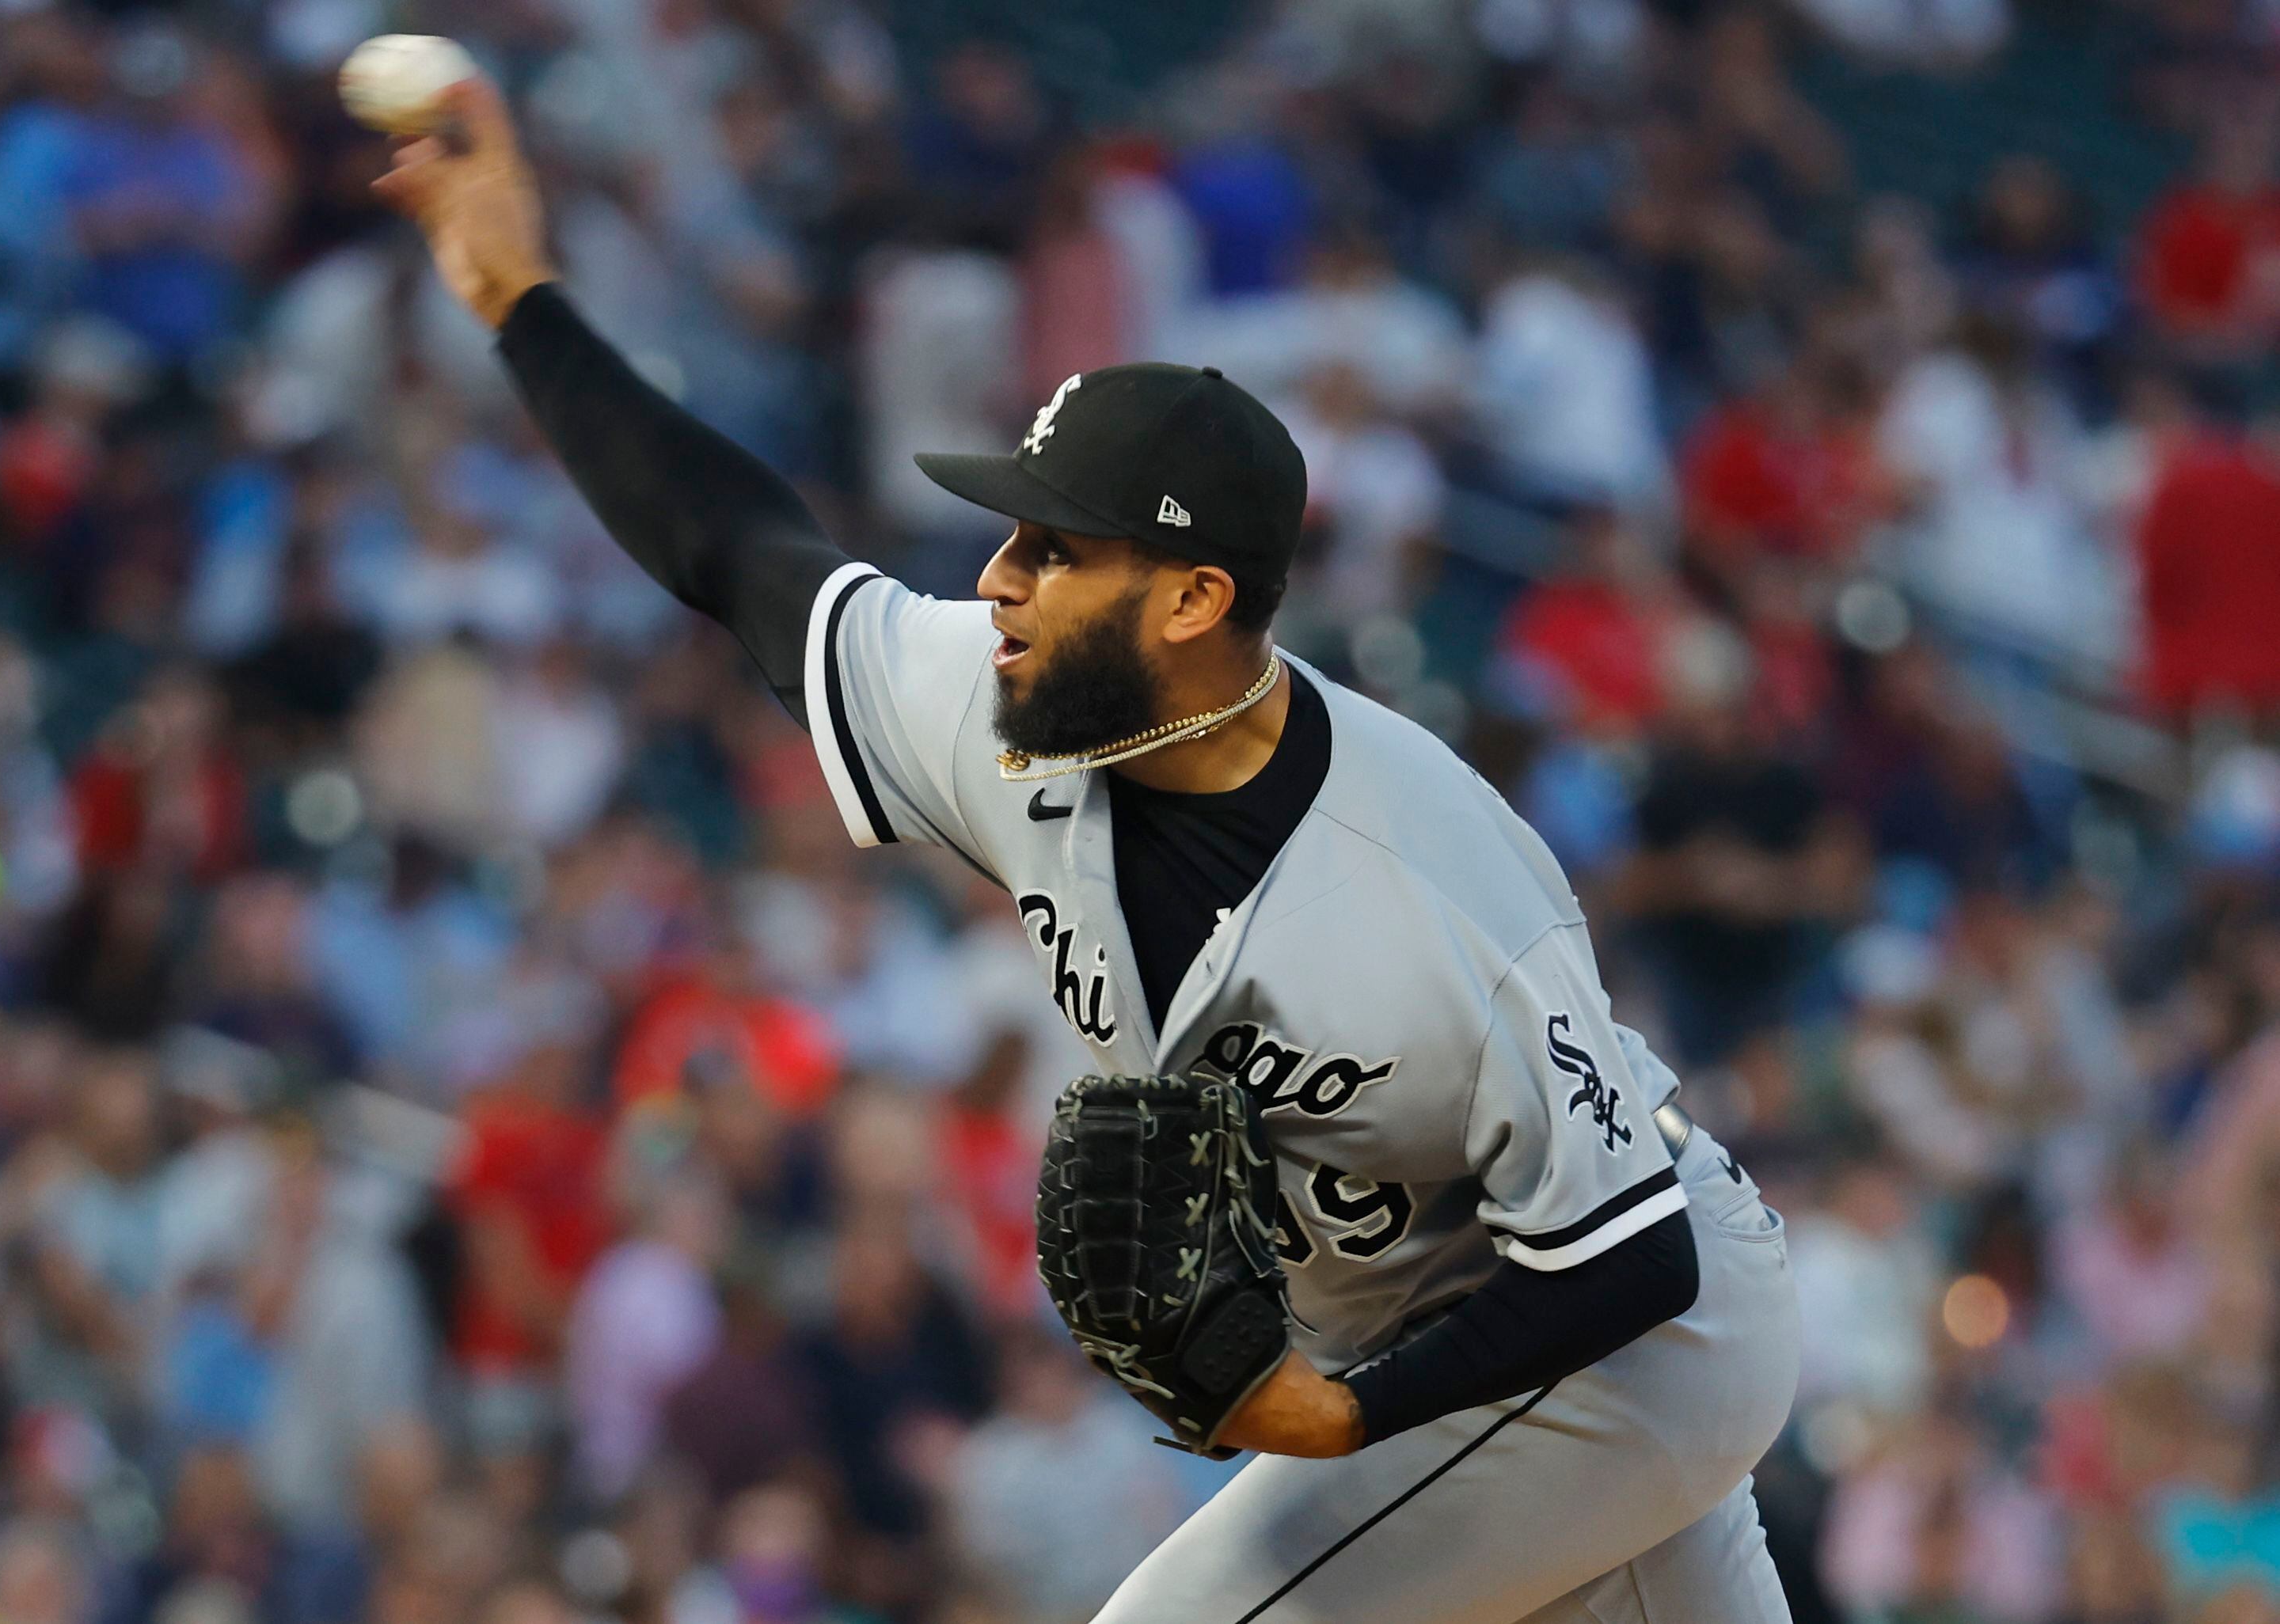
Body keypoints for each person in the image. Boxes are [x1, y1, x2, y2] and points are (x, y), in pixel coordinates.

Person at [373, 76, 1802, 1624]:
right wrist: (519, 296)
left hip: (1629, 1340)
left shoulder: (1420, 875)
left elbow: (1632, 1261)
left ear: (1192, 602)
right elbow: (741, 554)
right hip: (1466, 1343)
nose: (998, 579)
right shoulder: (1016, 715)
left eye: (1056, 550)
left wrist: (1336, 1419)